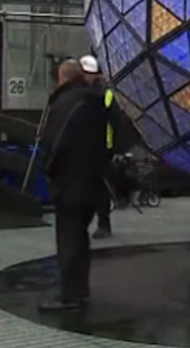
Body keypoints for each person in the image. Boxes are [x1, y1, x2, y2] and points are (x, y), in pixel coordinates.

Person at [39, 59, 109, 312]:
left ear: (62, 78)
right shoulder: (93, 101)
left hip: (69, 182)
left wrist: (49, 171)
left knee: (68, 239)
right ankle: (80, 290)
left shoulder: (65, 104)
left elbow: (54, 143)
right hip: (91, 180)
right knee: (80, 238)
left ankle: (69, 296)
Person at [79, 55, 128, 239]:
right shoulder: (80, 93)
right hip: (83, 146)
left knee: (100, 188)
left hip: (101, 149)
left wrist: (117, 149)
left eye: (88, 74)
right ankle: (84, 224)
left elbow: (117, 123)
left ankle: (103, 224)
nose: (85, 77)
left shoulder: (105, 95)